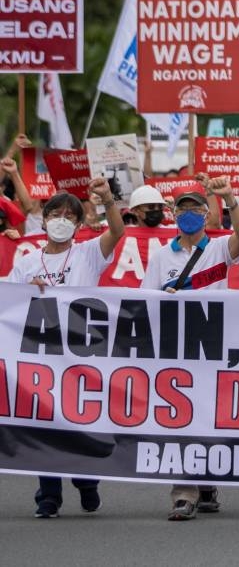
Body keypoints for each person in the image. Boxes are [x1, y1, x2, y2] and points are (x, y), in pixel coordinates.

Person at [7, 180, 125, 518]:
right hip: (40, 356)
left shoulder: (88, 252)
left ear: (78, 222)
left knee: (78, 423)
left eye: (70, 215)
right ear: (43, 221)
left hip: (80, 355)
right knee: (43, 423)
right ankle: (48, 496)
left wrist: (108, 202)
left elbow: (116, 233)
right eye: (55, 213)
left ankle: (86, 482)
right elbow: (9, 306)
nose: (62, 219)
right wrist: (25, 290)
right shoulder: (27, 262)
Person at [140, 178, 239, 521]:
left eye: (195, 208)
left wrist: (229, 198)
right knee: (181, 418)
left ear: (207, 214)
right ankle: (183, 493)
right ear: (173, 214)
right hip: (177, 347)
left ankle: (205, 482)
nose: (189, 214)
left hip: (214, 344)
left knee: (209, 416)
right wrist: (164, 301)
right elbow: (145, 299)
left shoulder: (219, 248)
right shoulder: (161, 256)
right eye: (182, 208)